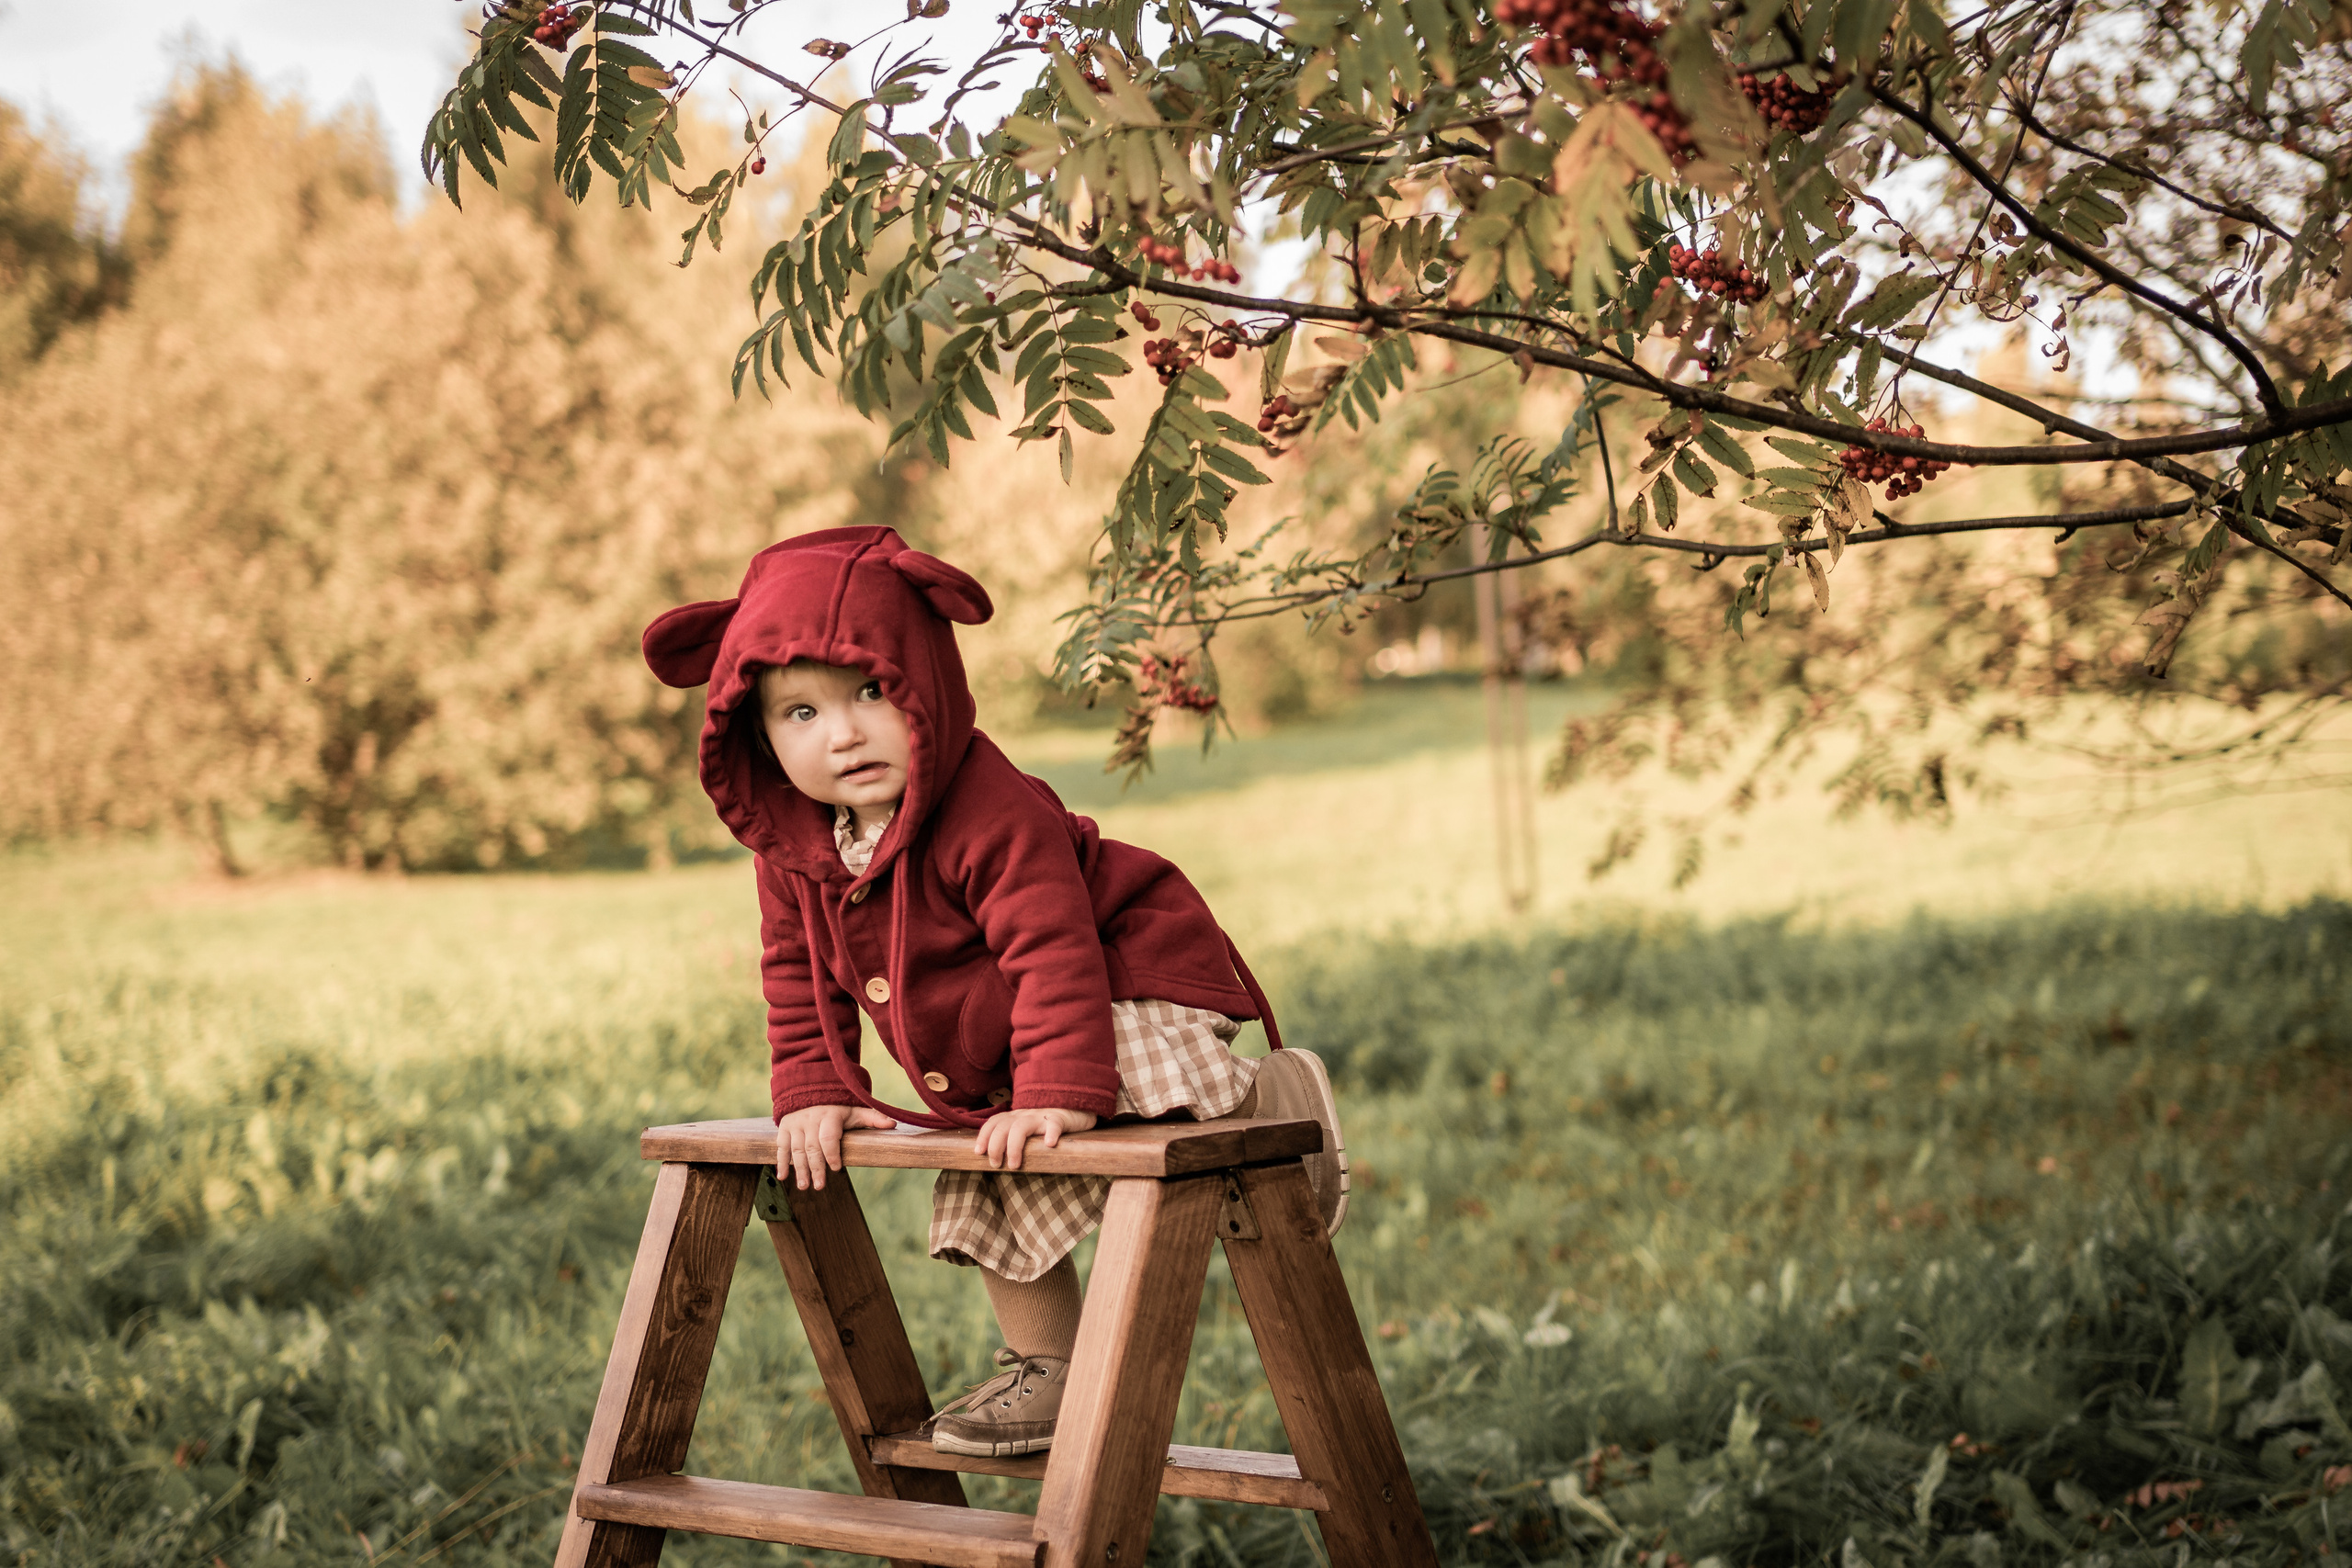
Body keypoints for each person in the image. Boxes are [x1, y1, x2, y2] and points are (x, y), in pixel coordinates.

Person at [641, 525, 1347, 1460]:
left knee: (1092, 1084)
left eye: (870, 692)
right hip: (1014, 1036)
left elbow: (1051, 945)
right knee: (983, 1162)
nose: (843, 732)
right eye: (799, 714)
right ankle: (1046, 1368)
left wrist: (1058, 1089)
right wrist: (811, 1089)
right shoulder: (798, 843)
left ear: (924, 684)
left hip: (1120, 972)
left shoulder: (988, 806)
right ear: (759, 736)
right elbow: (795, 969)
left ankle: (1257, 1097)